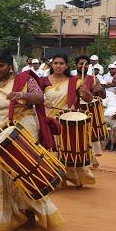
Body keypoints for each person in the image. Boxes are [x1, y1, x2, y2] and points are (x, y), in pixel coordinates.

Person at [0, 49, 63, 231]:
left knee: (22, 171)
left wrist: (21, 95)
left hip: (22, 129)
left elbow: (39, 98)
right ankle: (8, 215)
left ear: (10, 65)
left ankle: (28, 213)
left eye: (0, 65)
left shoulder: (25, 79)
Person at [41, 53, 96, 188]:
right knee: (51, 150)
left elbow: (88, 99)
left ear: (66, 66)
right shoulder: (43, 81)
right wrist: (42, 99)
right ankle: (54, 178)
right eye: (56, 63)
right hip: (48, 120)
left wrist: (87, 92)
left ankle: (71, 175)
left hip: (67, 120)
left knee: (68, 149)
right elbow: (36, 97)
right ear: (51, 65)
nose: (58, 66)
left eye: (61, 63)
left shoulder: (75, 81)